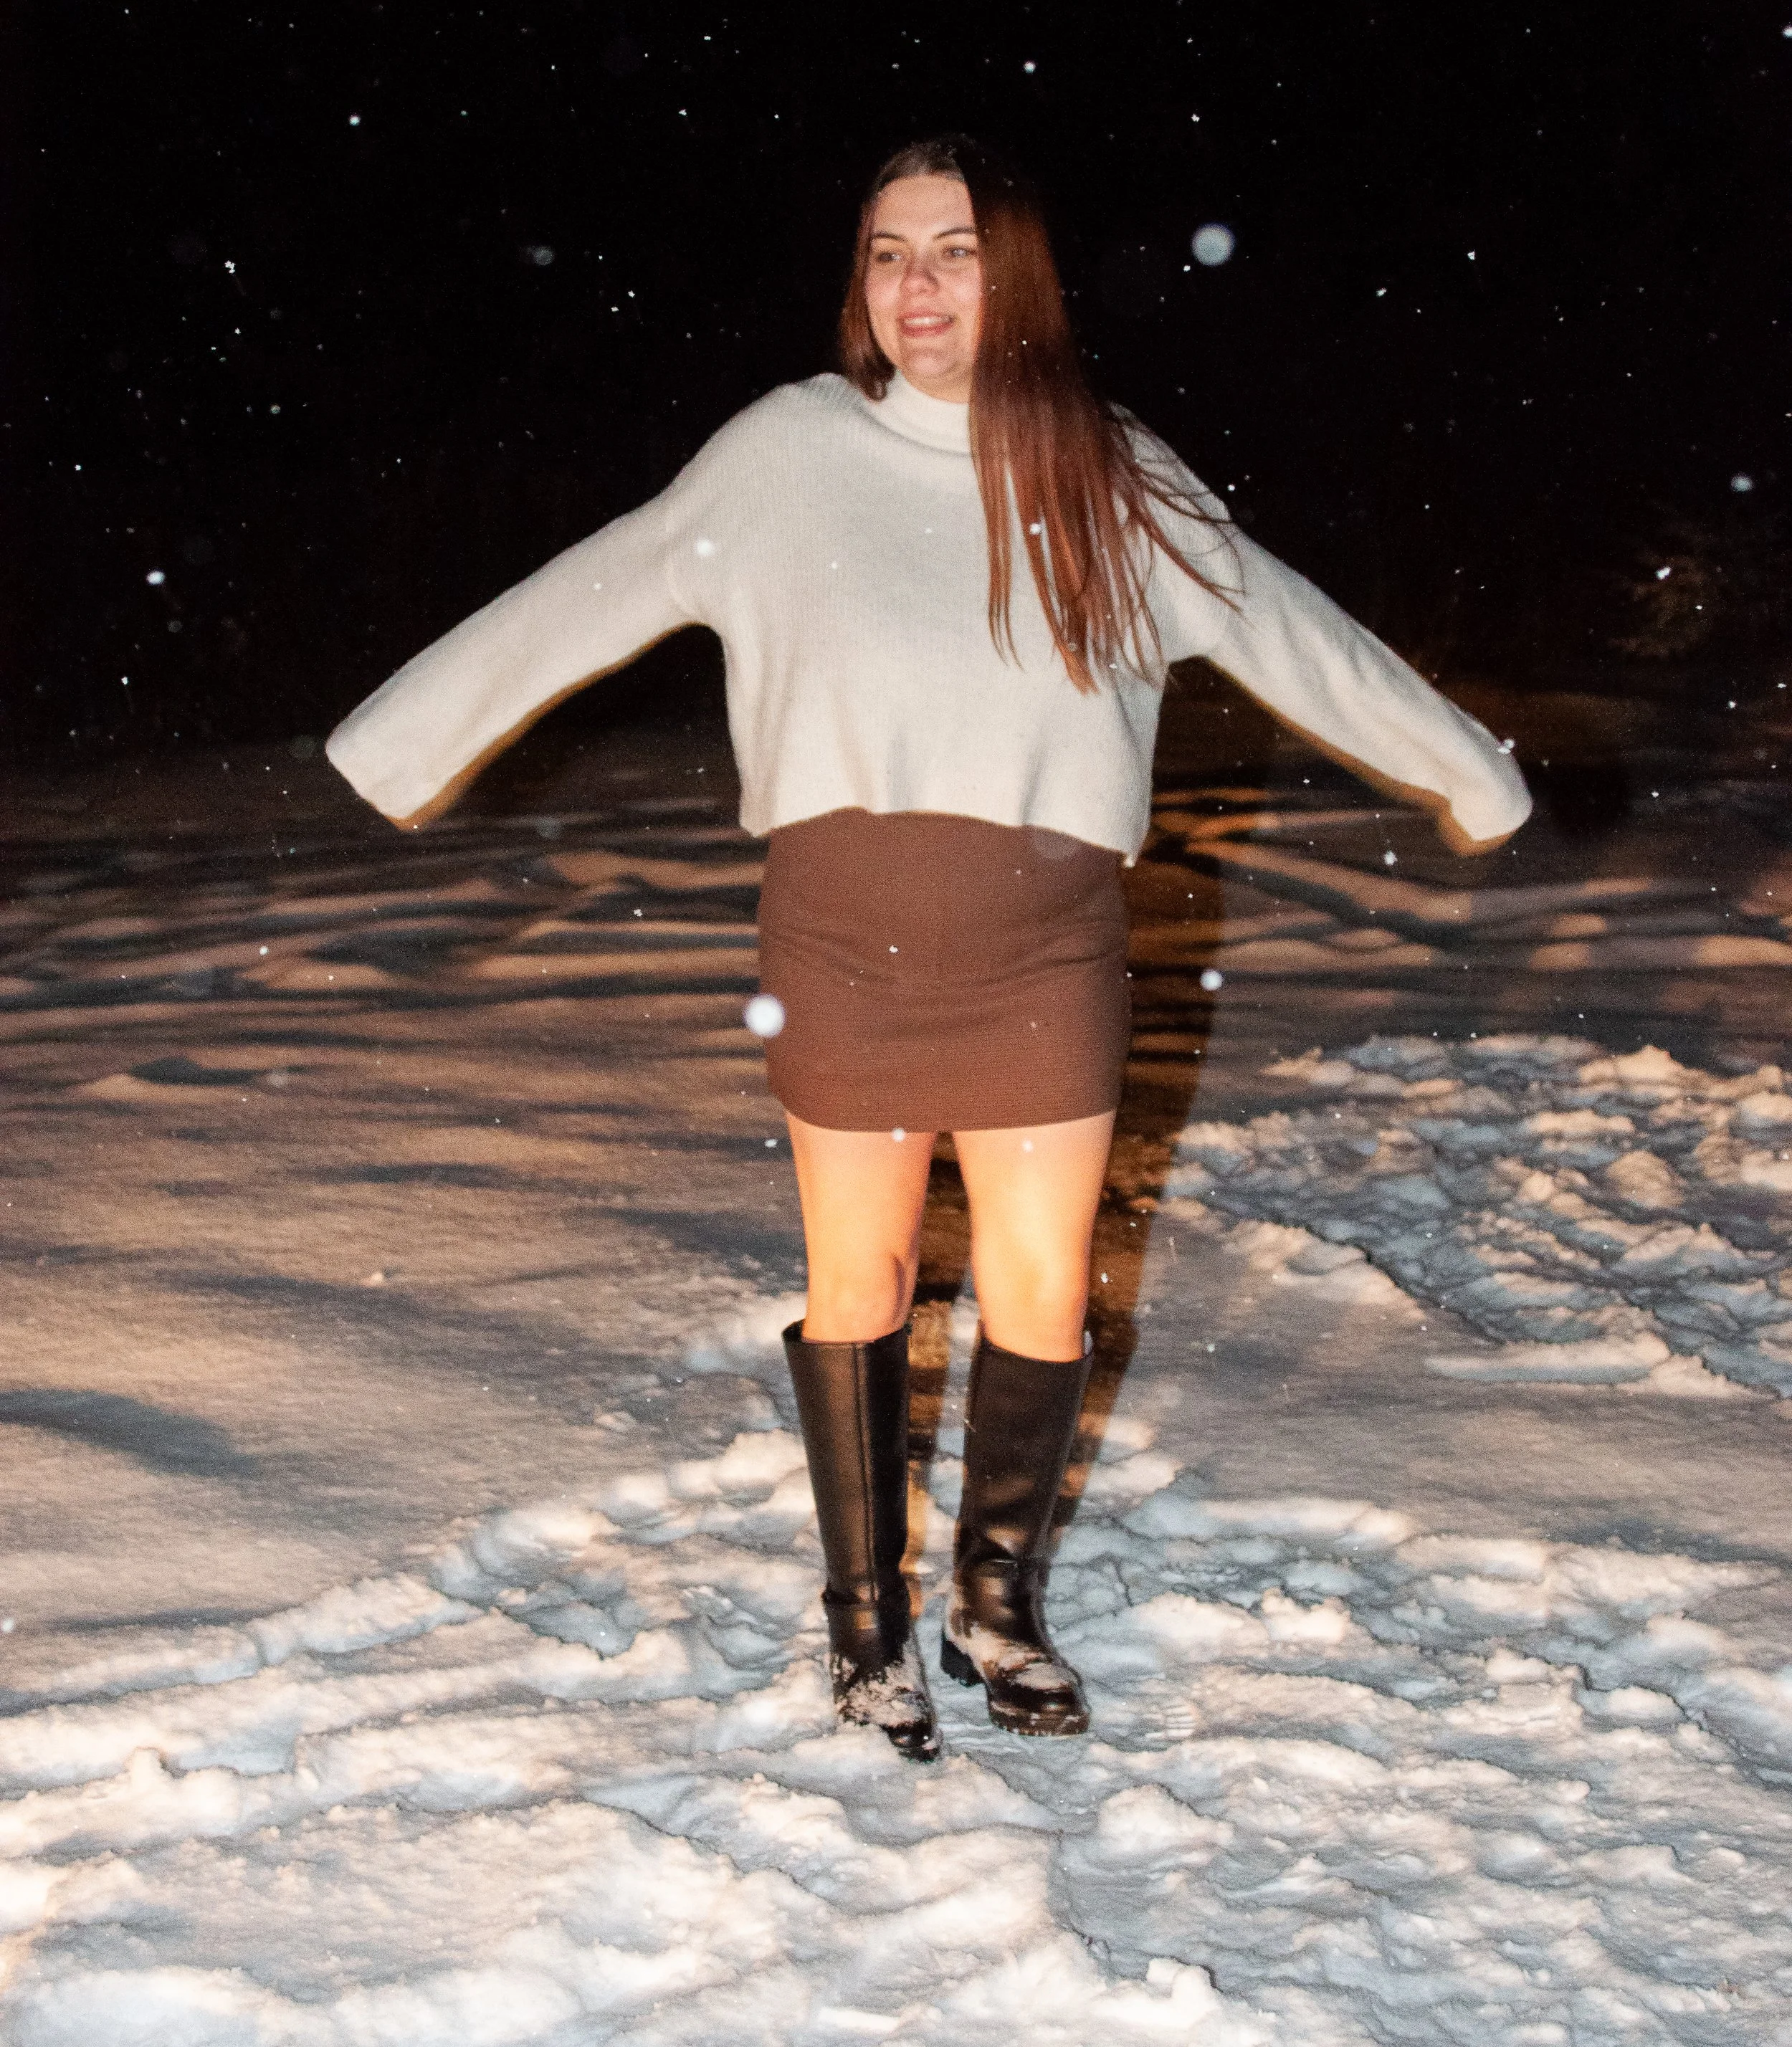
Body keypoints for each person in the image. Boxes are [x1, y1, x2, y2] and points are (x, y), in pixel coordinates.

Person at [327, 135, 1531, 1765]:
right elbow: (591, 586)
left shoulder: (1112, 473)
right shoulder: (784, 456)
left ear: (1013, 273)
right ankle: (862, 1622)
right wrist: (402, 741)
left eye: (953, 252)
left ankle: (995, 1600)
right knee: (864, 1278)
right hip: (841, 937)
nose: (916, 287)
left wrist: (1466, 766)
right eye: (888, 253)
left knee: (1040, 1284)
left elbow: (1289, 627)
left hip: (1044, 948)